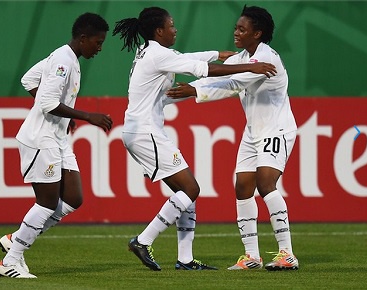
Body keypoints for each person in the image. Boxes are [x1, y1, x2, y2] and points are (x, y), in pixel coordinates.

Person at [112, 6, 278, 272]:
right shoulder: (157, 55)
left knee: (186, 192)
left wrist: (217, 53)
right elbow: (202, 70)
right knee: (191, 189)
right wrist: (251, 66)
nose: (175, 29)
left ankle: (185, 259)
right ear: (159, 31)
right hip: (146, 132)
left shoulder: (152, 51)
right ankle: (143, 240)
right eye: (171, 25)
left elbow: (185, 58)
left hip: (141, 131)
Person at [166, 5, 299, 271]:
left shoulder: (267, 60)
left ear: (257, 33)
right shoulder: (241, 58)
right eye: (236, 27)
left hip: (276, 129)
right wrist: (193, 85)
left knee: (265, 183)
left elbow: (232, 83)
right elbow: (217, 74)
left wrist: (193, 91)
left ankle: (287, 253)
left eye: (242, 29)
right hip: (253, 132)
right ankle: (252, 257)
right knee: (242, 187)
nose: (235, 32)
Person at [0, 12, 113, 279]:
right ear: (83, 38)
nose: (99, 47)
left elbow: (28, 80)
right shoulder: (63, 60)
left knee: (73, 199)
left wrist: (63, 115)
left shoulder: (65, 56)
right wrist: (87, 116)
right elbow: (48, 102)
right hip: (41, 139)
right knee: (47, 203)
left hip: (57, 139)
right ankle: (10, 261)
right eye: (98, 41)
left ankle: (16, 239)